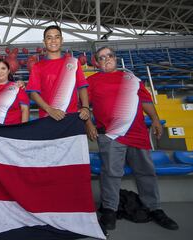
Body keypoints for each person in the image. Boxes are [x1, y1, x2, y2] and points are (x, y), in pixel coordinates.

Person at [85, 46, 179, 231]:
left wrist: (155, 120)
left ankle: (154, 209)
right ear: (96, 62)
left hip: (137, 133)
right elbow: (84, 106)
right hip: (111, 135)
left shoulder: (132, 78)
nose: (106, 59)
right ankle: (109, 210)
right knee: (111, 174)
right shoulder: (92, 81)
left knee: (146, 172)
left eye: (109, 56)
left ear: (116, 58)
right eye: (101, 58)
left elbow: (146, 101)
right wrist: (89, 124)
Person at [26, 25, 90, 121]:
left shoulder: (73, 62)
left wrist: (85, 107)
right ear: (44, 42)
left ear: (62, 40)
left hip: (72, 117)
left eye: (57, 37)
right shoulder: (37, 66)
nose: (53, 41)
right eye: (49, 38)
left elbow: (82, 87)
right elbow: (33, 93)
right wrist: (49, 110)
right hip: (47, 118)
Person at [0, 59, 30, 124]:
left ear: (8, 71)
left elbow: (25, 110)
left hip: (11, 131)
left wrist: (22, 130)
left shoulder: (18, 87)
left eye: (3, 68)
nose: (0, 72)